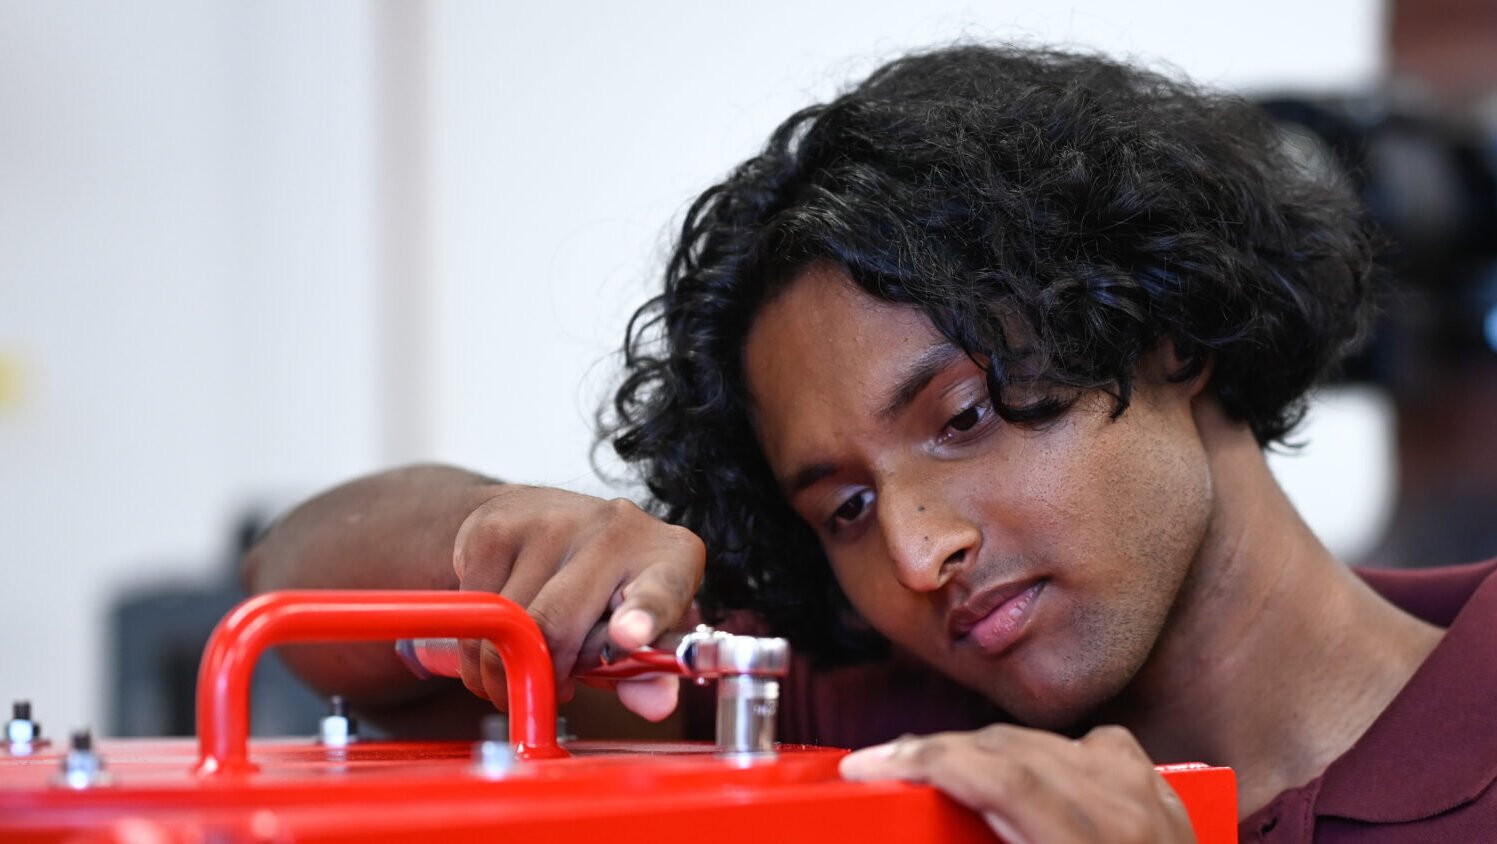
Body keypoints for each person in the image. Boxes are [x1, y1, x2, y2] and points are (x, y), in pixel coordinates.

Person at [244, 45, 1497, 842]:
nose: (915, 549)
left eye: (963, 417)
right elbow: (294, 581)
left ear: (1172, 335)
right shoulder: (868, 735)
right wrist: (522, 534)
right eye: (841, 506)